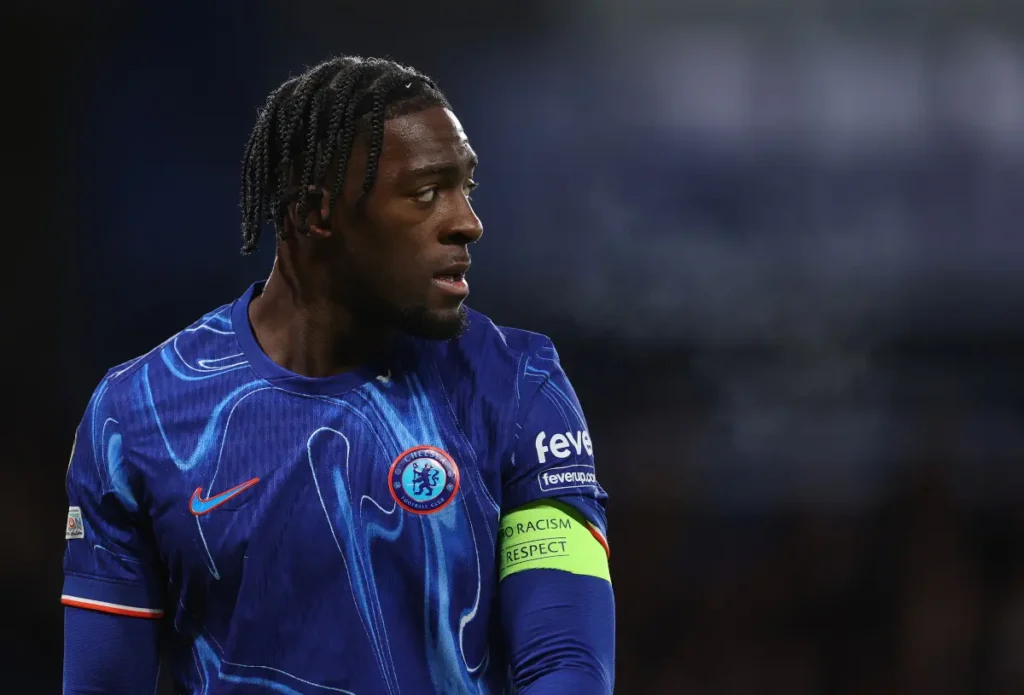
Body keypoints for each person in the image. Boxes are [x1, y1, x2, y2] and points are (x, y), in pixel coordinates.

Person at [61, 55, 614, 694]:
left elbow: (566, 663)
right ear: (315, 213)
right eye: (426, 193)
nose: (468, 222)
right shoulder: (137, 415)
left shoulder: (518, 386)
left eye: (466, 186)